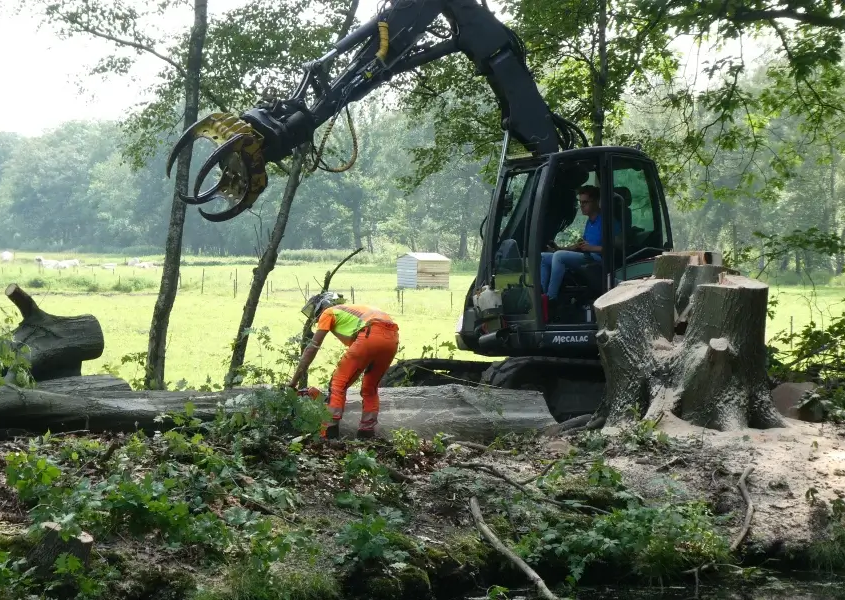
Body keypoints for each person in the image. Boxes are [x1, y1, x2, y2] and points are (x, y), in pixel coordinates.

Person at [287, 291, 399, 440]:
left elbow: (312, 348)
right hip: (392, 338)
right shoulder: (351, 312)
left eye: (316, 314)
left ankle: (329, 432)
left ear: (322, 307)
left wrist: (293, 382)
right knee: (370, 388)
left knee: (338, 384)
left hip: (370, 334)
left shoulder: (329, 312)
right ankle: (366, 433)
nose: (316, 319)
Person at [540, 184, 617, 303]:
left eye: (585, 202)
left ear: (596, 201)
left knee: (559, 257)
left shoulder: (607, 221)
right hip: (587, 257)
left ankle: (551, 299)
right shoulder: (589, 222)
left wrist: (592, 248)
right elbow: (581, 246)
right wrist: (559, 248)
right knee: (544, 257)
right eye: (580, 202)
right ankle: (542, 296)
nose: (582, 206)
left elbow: (617, 247)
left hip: (598, 261)